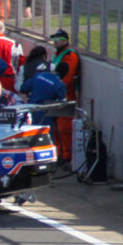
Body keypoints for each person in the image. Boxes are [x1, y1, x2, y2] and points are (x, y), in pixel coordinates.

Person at [51, 29, 80, 164]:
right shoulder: (58, 54)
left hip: (66, 95)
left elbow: (67, 79)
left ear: (65, 40)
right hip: (55, 95)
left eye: (57, 40)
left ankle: (67, 157)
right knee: (56, 128)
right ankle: (59, 153)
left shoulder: (70, 56)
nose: (55, 43)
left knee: (65, 128)